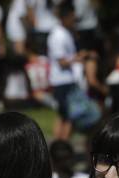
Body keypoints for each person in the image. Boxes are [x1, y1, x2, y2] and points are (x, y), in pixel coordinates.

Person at [47, 1, 81, 140]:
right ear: (65, 17)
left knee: (63, 116)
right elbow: (61, 61)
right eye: (73, 17)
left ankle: (59, 145)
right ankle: (62, 146)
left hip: (65, 80)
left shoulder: (65, 33)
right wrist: (79, 58)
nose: (74, 20)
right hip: (61, 81)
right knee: (68, 117)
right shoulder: (58, 35)